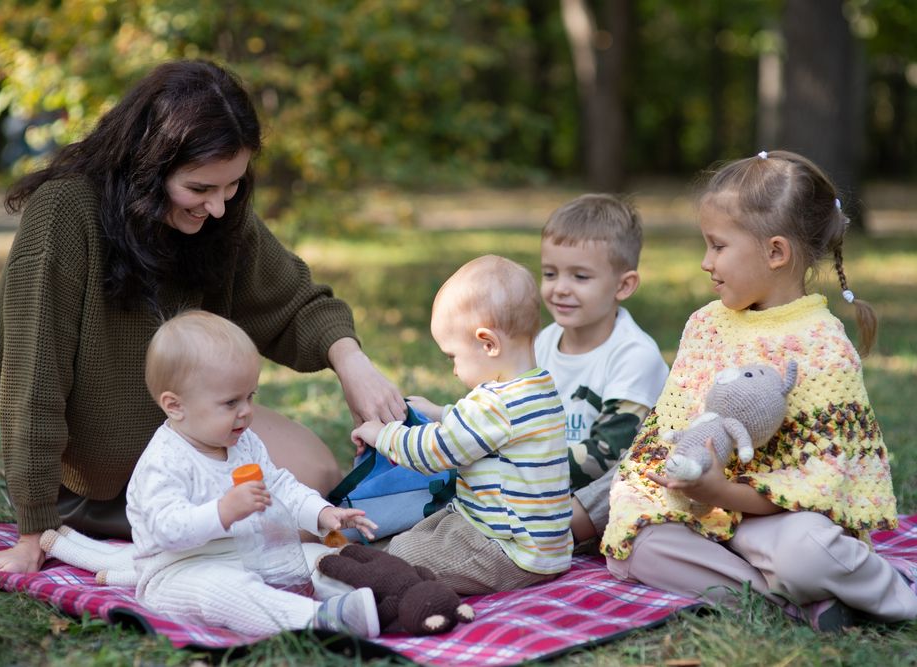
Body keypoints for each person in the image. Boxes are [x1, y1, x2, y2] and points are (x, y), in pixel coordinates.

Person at [0, 59, 405, 584]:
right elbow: (31, 380)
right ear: (149, 168)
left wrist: (351, 362)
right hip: (98, 486)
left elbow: (292, 302)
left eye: (232, 187)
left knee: (317, 478)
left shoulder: (219, 216)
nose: (218, 208)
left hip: (192, 437)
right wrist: (31, 534)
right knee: (275, 516)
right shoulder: (64, 213)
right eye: (200, 189)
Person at [600, 150, 917, 630]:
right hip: (700, 516)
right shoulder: (705, 326)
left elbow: (820, 482)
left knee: (806, 553)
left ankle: (892, 590)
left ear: (775, 252)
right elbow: (673, 428)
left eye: (718, 246)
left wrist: (723, 491)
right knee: (636, 546)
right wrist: (679, 484)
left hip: (777, 521)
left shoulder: (821, 344)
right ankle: (799, 606)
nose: (705, 262)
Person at [127, 310, 379, 637]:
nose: (246, 411)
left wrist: (321, 513)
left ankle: (376, 600)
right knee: (227, 591)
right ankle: (318, 621)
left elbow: (280, 486)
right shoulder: (164, 461)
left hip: (246, 552)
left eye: (250, 396)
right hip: (179, 572)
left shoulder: (243, 442)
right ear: (175, 406)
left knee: (319, 557)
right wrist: (223, 511)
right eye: (231, 402)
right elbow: (167, 530)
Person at [352, 255, 573, 595]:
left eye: (453, 356)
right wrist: (439, 411)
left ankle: (368, 581)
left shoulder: (495, 403)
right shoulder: (537, 387)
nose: (454, 370)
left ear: (488, 343)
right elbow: (491, 430)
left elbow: (435, 452)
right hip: (539, 546)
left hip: (510, 552)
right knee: (429, 529)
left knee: (405, 553)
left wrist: (381, 434)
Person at [534, 194, 669, 550]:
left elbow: (605, 453)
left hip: (608, 490)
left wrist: (519, 465)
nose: (560, 288)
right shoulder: (544, 341)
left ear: (623, 286)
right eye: (550, 273)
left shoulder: (634, 355)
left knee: (623, 481)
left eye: (580, 276)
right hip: (546, 482)